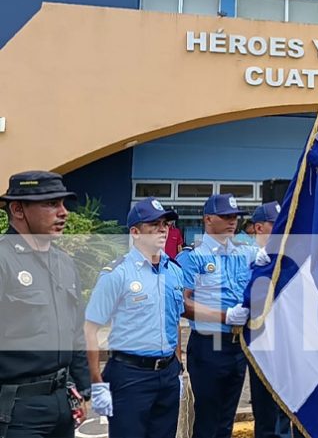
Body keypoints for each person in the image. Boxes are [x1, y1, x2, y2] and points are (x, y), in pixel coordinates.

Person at [84, 198, 184, 438]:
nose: (162, 229)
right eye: (154, 224)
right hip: (130, 376)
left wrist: (179, 367)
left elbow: (175, 320)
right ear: (135, 233)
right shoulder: (117, 274)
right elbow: (90, 328)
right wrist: (97, 382)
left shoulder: (174, 271)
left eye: (165, 224)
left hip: (168, 373)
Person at [0, 171, 90, 438]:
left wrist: (83, 390)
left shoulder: (62, 262)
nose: (63, 212)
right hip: (16, 407)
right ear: (18, 209)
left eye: (63, 204)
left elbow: (76, 332)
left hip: (61, 401)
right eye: (50, 204)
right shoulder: (4, 261)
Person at [177, 194, 256, 438]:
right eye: (226, 216)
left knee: (226, 421)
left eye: (235, 217)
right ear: (208, 219)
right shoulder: (192, 257)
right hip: (208, 345)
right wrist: (224, 316)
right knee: (208, 421)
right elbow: (182, 303)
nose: (232, 222)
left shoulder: (244, 254)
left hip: (237, 346)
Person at [248, 201, 292, 438]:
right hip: (260, 343)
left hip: (287, 342)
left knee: (285, 412)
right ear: (258, 228)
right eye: (275, 224)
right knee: (266, 415)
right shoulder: (246, 255)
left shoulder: (288, 255)